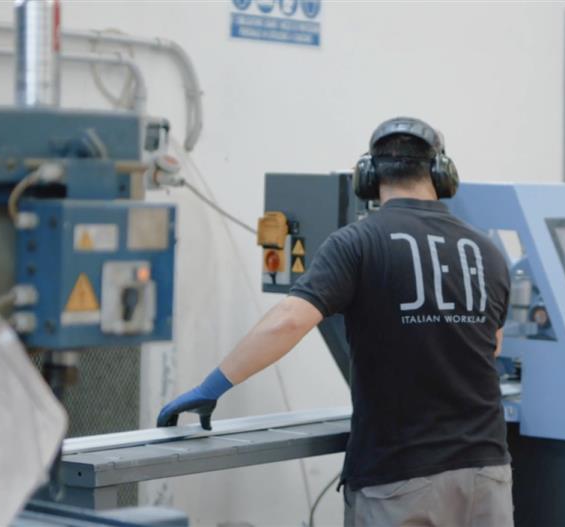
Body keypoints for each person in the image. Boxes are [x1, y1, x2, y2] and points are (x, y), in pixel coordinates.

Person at [157, 117, 514, 526]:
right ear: (441, 173)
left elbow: (288, 322)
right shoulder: (486, 251)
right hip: (487, 472)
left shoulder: (357, 242)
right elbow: (492, 345)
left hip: (402, 478)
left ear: (367, 176)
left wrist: (211, 388)